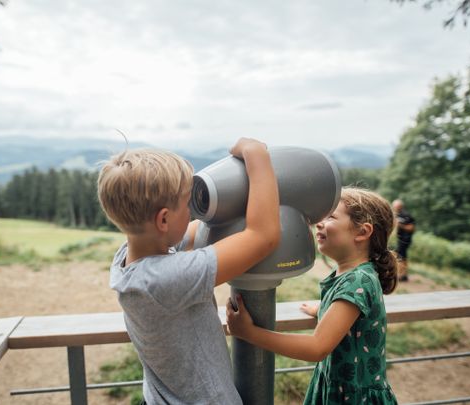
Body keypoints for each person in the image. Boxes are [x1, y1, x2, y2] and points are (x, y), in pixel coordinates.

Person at [97, 138, 280, 404]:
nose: (192, 213)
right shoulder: (167, 278)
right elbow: (264, 237)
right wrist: (257, 156)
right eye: (186, 205)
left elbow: (198, 230)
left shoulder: (129, 256)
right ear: (163, 219)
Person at [227, 187, 399, 404]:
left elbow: (316, 348)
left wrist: (249, 333)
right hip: (341, 390)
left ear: (363, 232)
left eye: (331, 217)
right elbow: (347, 316)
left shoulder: (357, 281)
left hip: (353, 398)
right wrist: (322, 309)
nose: (319, 222)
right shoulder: (355, 276)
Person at [392, 199, 415, 282]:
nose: (395, 208)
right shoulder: (394, 215)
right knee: (400, 256)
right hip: (398, 239)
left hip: (405, 239)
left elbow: (412, 228)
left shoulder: (406, 215)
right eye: (394, 206)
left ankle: (402, 275)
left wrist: (400, 225)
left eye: (397, 206)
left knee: (401, 256)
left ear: (400, 206)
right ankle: (402, 275)